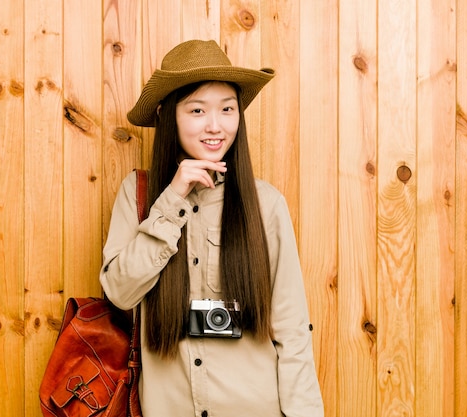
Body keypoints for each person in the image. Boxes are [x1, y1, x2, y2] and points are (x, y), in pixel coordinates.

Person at [100, 39, 324, 417]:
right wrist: (173, 199)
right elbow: (120, 292)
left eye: (227, 109)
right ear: (167, 114)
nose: (215, 126)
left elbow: (292, 330)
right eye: (198, 110)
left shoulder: (265, 204)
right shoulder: (138, 196)